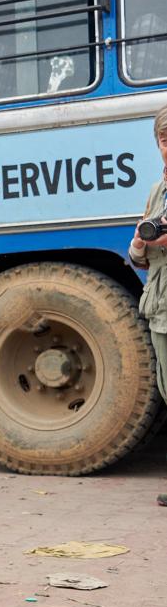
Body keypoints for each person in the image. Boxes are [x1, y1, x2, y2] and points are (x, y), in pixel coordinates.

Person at [128, 102, 167, 506]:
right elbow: (139, 254)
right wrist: (142, 241)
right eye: (164, 139)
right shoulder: (158, 191)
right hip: (160, 307)